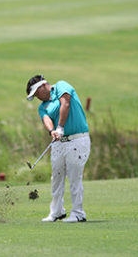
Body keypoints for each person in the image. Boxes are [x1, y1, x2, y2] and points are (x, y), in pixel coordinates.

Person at [26, 75, 91, 223]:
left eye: (37, 93)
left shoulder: (61, 86)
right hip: (59, 142)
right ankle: (56, 212)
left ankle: (78, 213)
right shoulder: (42, 106)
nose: (37, 97)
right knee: (56, 178)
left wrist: (60, 127)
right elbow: (46, 119)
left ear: (43, 86)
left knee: (74, 177)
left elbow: (66, 103)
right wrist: (52, 131)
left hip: (77, 139)